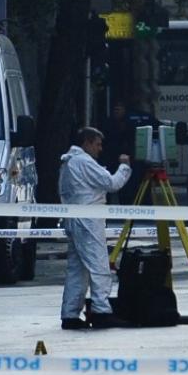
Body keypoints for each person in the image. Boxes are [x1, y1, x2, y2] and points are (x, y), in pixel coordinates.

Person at [59, 127, 132, 330]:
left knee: (77, 270)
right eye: (98, 144)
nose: (100, 149)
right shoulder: (83, 162)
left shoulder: (68, 162)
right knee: (99, 266)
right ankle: (101, 311)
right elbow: (111, 183)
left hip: (74, 219)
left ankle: (70, 314)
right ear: (88, 142)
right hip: (88, 220)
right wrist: (124, 166)